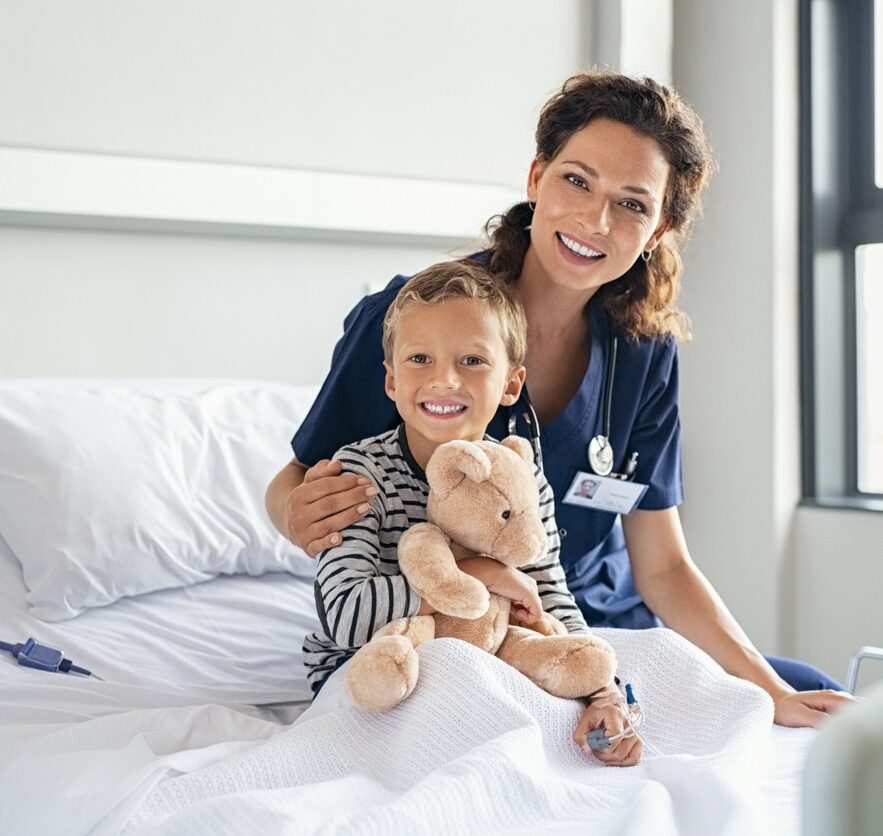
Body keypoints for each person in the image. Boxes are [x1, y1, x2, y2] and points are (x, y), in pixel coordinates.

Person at [267, 70, 853, 729]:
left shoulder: (643, 354)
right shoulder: (418, 320)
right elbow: (295, 484)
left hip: (595, 621)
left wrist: (769, 690)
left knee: (815, 697)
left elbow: (661, 566)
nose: (593, 220)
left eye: (632, 204)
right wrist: (297, 514)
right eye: (576, 180)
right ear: (536, 178)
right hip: (452, 626)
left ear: (657, 230)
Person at [300, 262, 639, 764]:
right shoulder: (358, 474)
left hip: (493, 653)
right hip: (375, 671)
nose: (444, 380)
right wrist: (479, 575)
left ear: (511, 384)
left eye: (473, 361)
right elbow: (346, 616)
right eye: (420, 358)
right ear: (391, 381)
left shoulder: (521, 476)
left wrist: (603, 693)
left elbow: (549, 595)